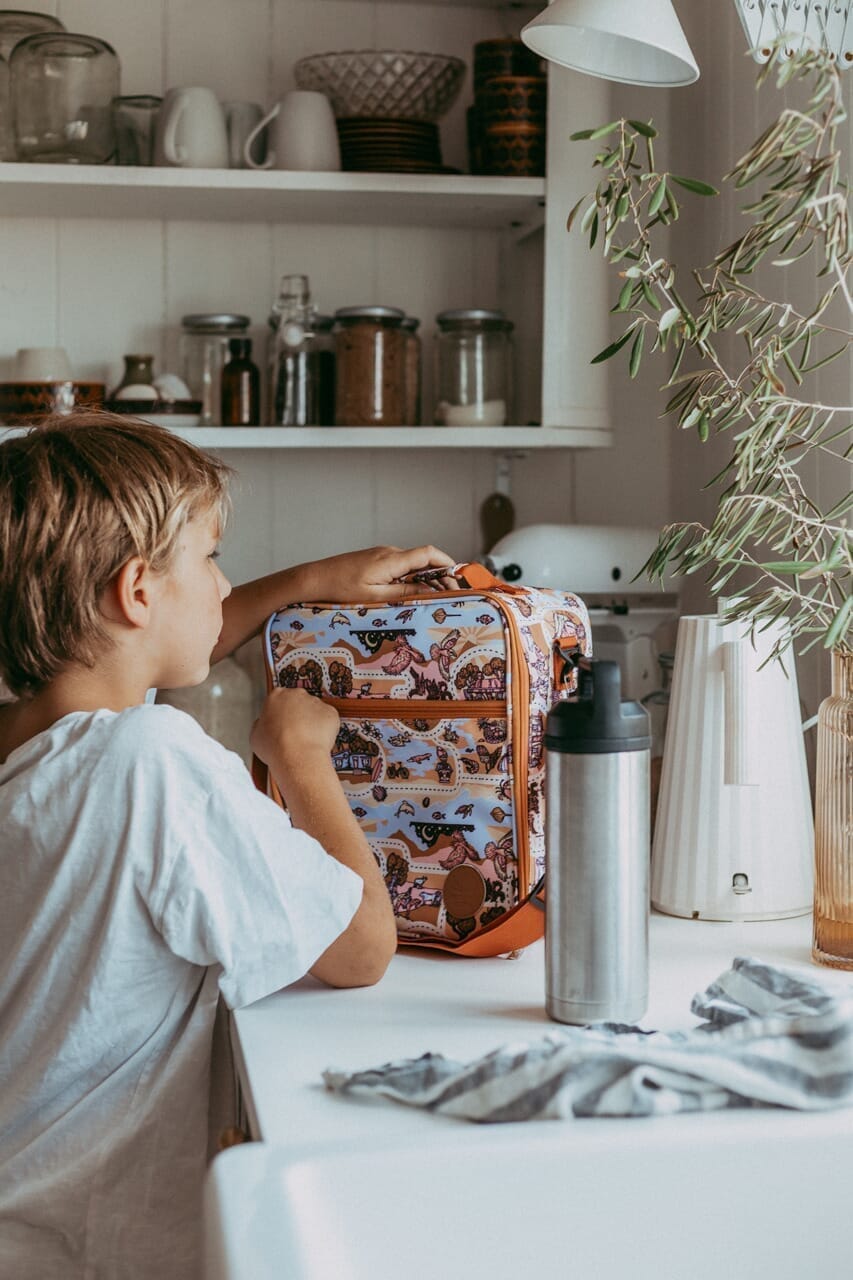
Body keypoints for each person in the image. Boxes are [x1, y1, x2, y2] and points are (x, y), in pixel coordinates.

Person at [0, 412, 455, 1280]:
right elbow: (360, 948)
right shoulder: (154, 761)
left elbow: (147, 646)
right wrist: (299, 757)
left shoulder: (26, 742)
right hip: (82, 1247)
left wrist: (311, 581)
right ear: (136, 591)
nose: (224, 585)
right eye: (211, 557)